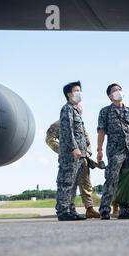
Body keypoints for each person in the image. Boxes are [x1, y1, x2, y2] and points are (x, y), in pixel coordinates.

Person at [97, 83, 129, 220]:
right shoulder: (105, 111)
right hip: (115, 151)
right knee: (112, 179)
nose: (118, 92)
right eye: (114, 90)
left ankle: (124, 210)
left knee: (127, 181)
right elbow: (101, 131)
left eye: (119, 89)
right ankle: (105, 209)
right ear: (110, 96)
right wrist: (99, 149)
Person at [46, 110, 100, 219]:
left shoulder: (80, 124)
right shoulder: (58, 124)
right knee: (68, 185)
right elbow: (49, 140)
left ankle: (89, 209)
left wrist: (88, 151)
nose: (79, 111)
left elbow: (87, 140)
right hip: (69, 159)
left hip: (83, 159)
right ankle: (68, 209)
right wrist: (65, 150)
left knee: (86, 184)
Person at [55, 81, 88, 221]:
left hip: (79, 154)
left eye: (80, 90)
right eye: (76, 90)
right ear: (69, 94)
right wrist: (74, 147)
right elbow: (67, 130)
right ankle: (63, 211)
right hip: (70, 153)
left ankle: (71, 210)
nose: (79, 92)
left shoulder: (75, 110)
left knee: (74, 183)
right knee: (66, 182)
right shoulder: (67, 109)